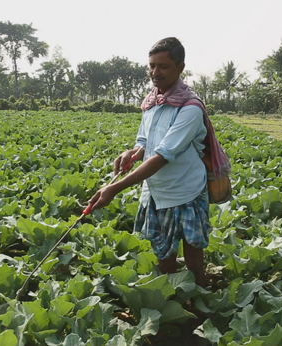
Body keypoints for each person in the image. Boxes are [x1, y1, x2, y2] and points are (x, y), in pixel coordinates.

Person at [87, 37, 210, 287]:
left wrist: (114, 188)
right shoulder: (152, 103)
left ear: (180, 67)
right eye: (151, 65)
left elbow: (163, 155)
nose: (155, 72)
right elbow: (145, 142)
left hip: (184, 190)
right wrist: (131, 153)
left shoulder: (190, 108)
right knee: (164, 255)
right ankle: (170, 296)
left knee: (193, 255)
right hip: (155, 191)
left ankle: (199, 300)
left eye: (163, 66)